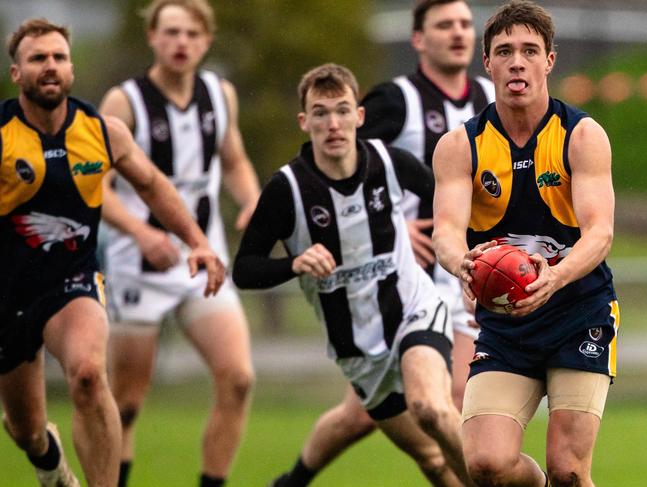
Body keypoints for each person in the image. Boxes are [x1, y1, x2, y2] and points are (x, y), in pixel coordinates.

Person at [269, 1, 494, 485]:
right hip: (412, 279)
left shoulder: (491, 98)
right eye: (443, 25)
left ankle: (290, 481)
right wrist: (392, 228)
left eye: (463, 24)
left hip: (474, 266)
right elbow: (331, 164)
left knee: (408, 415)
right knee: (437, 409)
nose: (457, 33)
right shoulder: (397, 99)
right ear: (418, 39)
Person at [0, 18, 223, 487]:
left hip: (72, 284)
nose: (50, 67)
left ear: (72, 69)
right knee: (25, 430)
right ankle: (49, 462)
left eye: (59, 57)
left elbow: (152, 185)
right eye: (38, 58)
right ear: (17, 73)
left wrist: (198, 242)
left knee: (86, 373)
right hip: (8, 294)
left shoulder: (102, 130)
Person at [234, 63, 475, 487]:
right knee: (433, 461)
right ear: (304, 121)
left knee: (432, 409)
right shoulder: (286, 190)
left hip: (414, 310)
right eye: (321, 113)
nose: (333, 123)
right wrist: (293, 263)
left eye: (343, 110)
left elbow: (453, 209)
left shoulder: (389, 161)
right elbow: (244, 269)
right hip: (357, 349)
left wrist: (468, 259)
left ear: (359, 116)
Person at [432, 1, 618, 486]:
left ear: (550, 61)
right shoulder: (460, 146)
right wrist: (462, 264)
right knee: (485, 466)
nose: (518, 61)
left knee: (570, 471)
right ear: (487, 62)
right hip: (506, 325)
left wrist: (553, 276)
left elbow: (600, 232)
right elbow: (446, 232)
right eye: (505, 51)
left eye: (530, 50)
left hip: (580, 314)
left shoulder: (581, 135)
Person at [98, 1, 259, 486]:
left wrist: (251, 201)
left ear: (207, 40)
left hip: (202, 261)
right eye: (170, 32)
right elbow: (94, 188)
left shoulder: (219, 94)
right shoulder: (124, 103)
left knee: (238, 379)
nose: (181, 42)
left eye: (191, 33)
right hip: (138, 264)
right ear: (152, 37)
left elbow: (233, 160)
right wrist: (143, 233)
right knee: (125, 404)